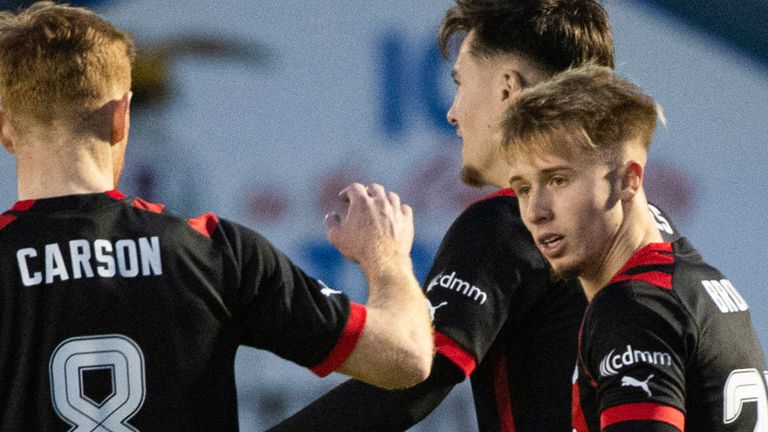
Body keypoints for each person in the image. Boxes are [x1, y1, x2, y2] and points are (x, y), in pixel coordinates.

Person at [0, 2, 434, 431]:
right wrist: (387, 258)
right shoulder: (211, 250)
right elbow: (405, 356)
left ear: (5, 126)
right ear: (120, 116)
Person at [268, 1, 680, 431]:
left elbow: (413, 377)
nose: (452, 113)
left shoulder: (506, 224)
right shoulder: (647, 222)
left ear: (508, 88)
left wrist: (384, 260)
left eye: (460, 83)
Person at [504, 64, 767, 432]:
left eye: (558, 180)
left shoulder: (634, 306)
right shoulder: (694, 279)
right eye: (523, 188)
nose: (535, 212)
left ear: (628, 180)